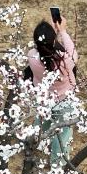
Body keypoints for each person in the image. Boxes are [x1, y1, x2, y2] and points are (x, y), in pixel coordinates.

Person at [26, 19, 79, 165]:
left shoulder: (32, 56)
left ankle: (33, 142)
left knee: (42, 121)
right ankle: (57, 162)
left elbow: (43, 50)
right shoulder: (64, 62)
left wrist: (50, 36)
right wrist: (62, 31)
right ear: (53, 41)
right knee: (62, 132)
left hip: (43, 98)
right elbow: (73, 53)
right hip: (64, 101)